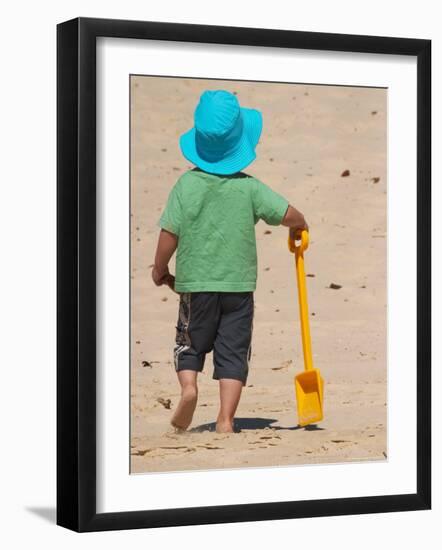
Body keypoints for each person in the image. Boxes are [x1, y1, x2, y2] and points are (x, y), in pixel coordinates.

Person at [152, 90, 308, 433]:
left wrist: (160, 269)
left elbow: (169, 235)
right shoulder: (250, 188)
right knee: (233, 353)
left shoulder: (186, 185)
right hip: (238, 288)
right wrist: (301, 224)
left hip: (195, 287)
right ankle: (225, 419)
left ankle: (189, 387)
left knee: (190, 343)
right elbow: (285, 212)